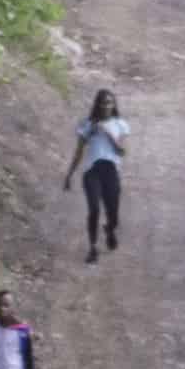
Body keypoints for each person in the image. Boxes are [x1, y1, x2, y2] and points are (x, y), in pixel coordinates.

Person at [69, 90, 132, 260]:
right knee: (94, 208)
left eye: (110, 102)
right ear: (97, 104)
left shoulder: (120, 124)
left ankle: (110, 229)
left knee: (113, 214)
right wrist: (69, 175)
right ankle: (93, 247)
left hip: (111, 171)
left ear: (114, 105)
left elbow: (122, 151)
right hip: (92, 172)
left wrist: (107, 132)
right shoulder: (87, 124)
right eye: (103, 102)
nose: (106, 106)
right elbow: (78, 152)